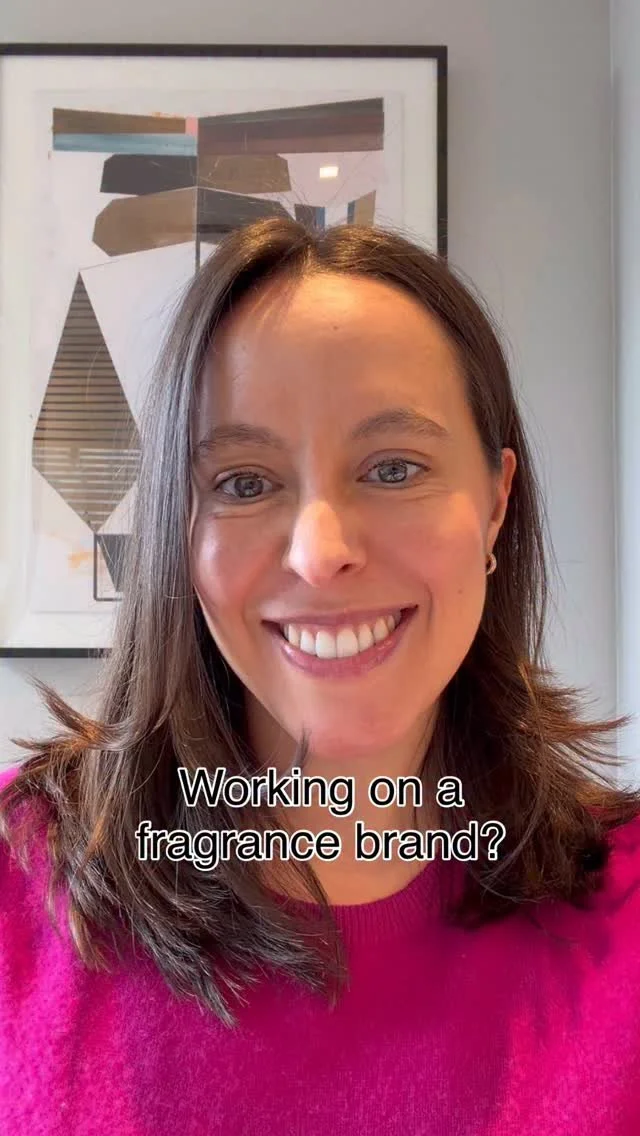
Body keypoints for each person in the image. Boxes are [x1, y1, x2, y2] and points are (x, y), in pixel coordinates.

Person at [1, 217, 640, 1136]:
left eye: (394, 468)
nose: (320, 551)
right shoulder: (18, 880)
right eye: (244, 483)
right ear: (181, 531)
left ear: (497, 503)